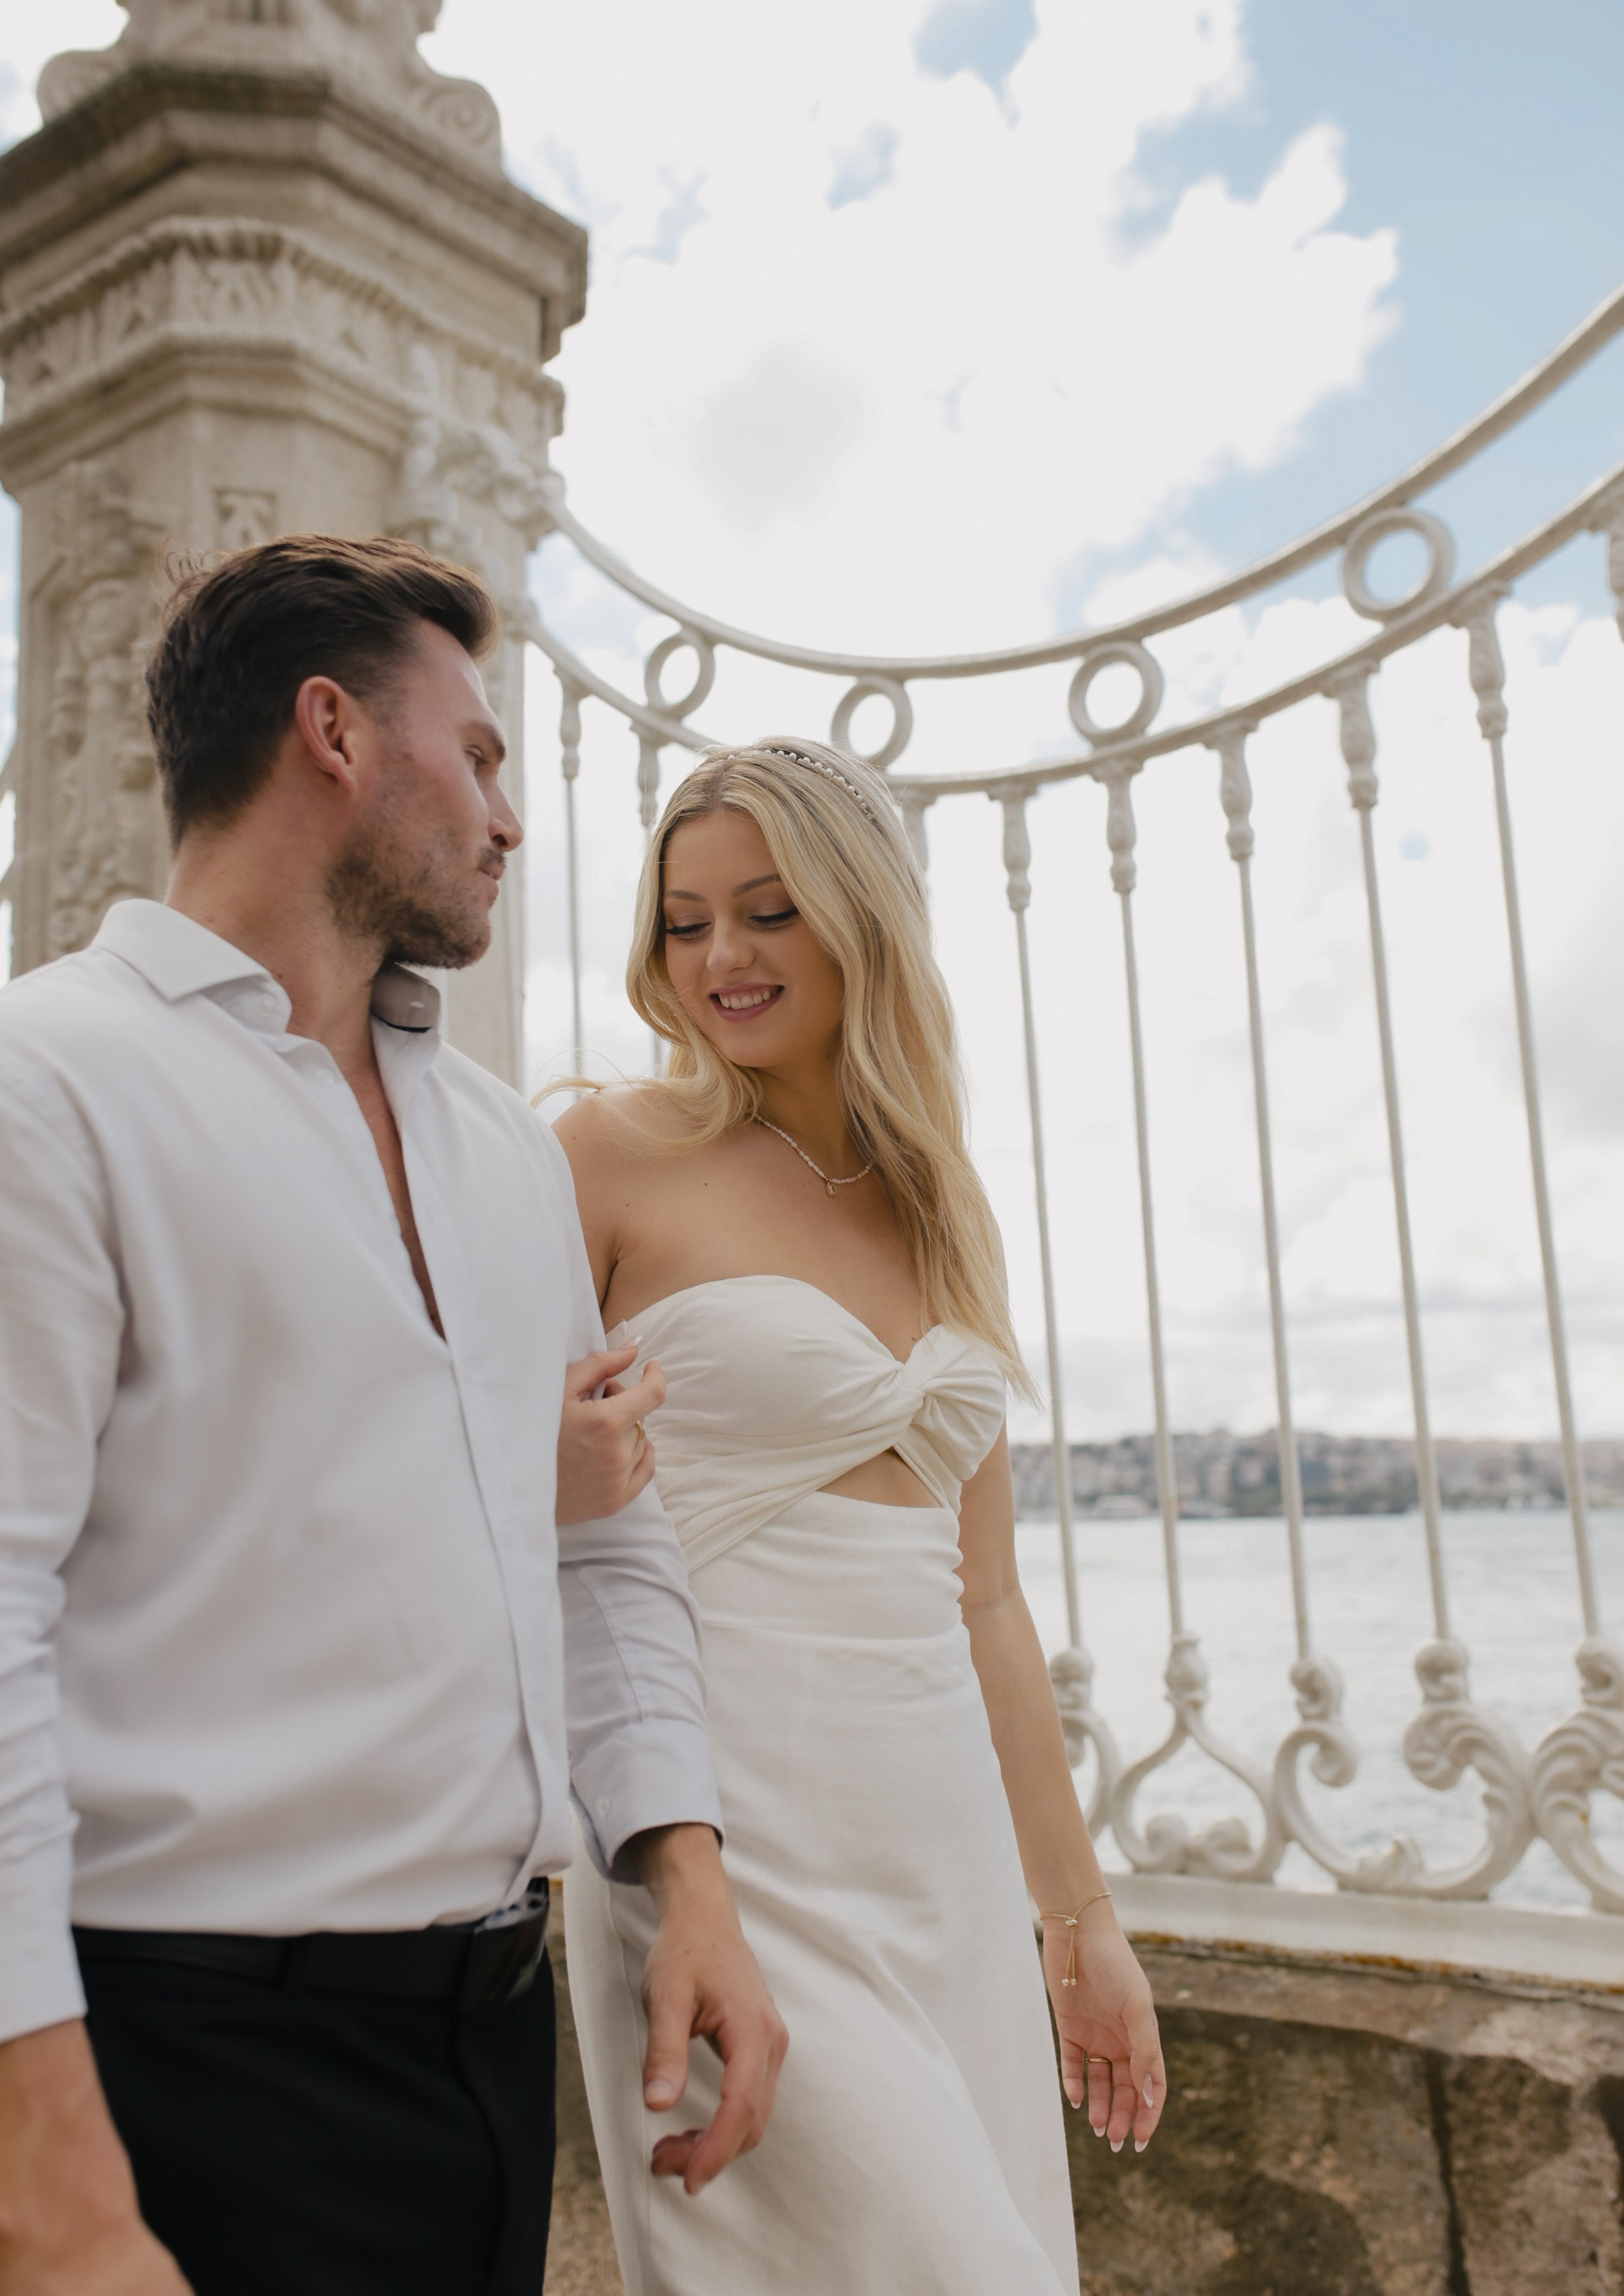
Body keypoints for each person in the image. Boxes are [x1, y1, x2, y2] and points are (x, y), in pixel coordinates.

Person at [0, 537, 784, 2296]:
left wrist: (687, 1878)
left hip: (492, 2054)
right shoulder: (42, 1085)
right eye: (481, 756)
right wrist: (48, 2183)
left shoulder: (503, 1143)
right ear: (334, 732)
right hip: (176, 2065)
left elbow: (603, 1545)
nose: (509, 820)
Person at [555, 739, 1167, 2296]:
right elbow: (498, 1487)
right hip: (724, 1844)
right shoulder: (605, 1155)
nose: (722, 956)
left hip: (940, 1855)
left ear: (862, 916)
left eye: (767, 910)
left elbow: (986, 1603)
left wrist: (1077, 1918)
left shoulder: (940, 1205)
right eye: (685, 921)